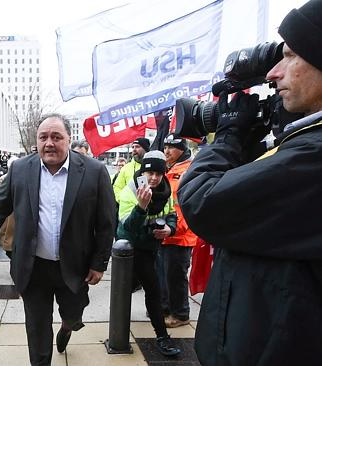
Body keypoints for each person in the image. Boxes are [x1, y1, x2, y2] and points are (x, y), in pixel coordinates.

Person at [177, 0, 322, 365]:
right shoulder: (302, 142)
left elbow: (203, 201)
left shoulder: (316, 155)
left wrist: (227, 138)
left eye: (289, 56)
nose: (274, 72)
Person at [0, 113, 116, 366]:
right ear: (36, 141)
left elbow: (106, 223)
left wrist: (99, 262)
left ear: (69, 139)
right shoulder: (19, 169)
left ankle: (68, 327)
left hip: (74, 267)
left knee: (73, 314)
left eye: (56, 137)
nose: (49, 143)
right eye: (43, 137)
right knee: (37, 327)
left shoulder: (94, 172)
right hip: (33, 266)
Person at [116, 150, 180, 357]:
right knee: (150, 290)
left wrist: (169, 229)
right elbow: (126, 228)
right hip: (130, 251)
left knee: (151, 289)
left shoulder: (165, 190)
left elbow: (171, 214)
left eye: (158, 174)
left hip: (152, 249)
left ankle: (161, 336)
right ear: (143, 172)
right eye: (149, 173)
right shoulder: (130, 190)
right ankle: (158, 336)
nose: (153, 178)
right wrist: (141, 207)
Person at [159, 134, 198, 328]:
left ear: (182, 149)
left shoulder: (188, 170)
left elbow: (183, 206)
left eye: (172, 147)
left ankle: (181, 314)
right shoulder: (168, 169)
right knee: (164, 276)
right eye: (165, 146)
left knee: (175, 278)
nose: (167, 151)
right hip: (166, 234)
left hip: (180, 235)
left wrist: (174, 229)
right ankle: (165, 309)